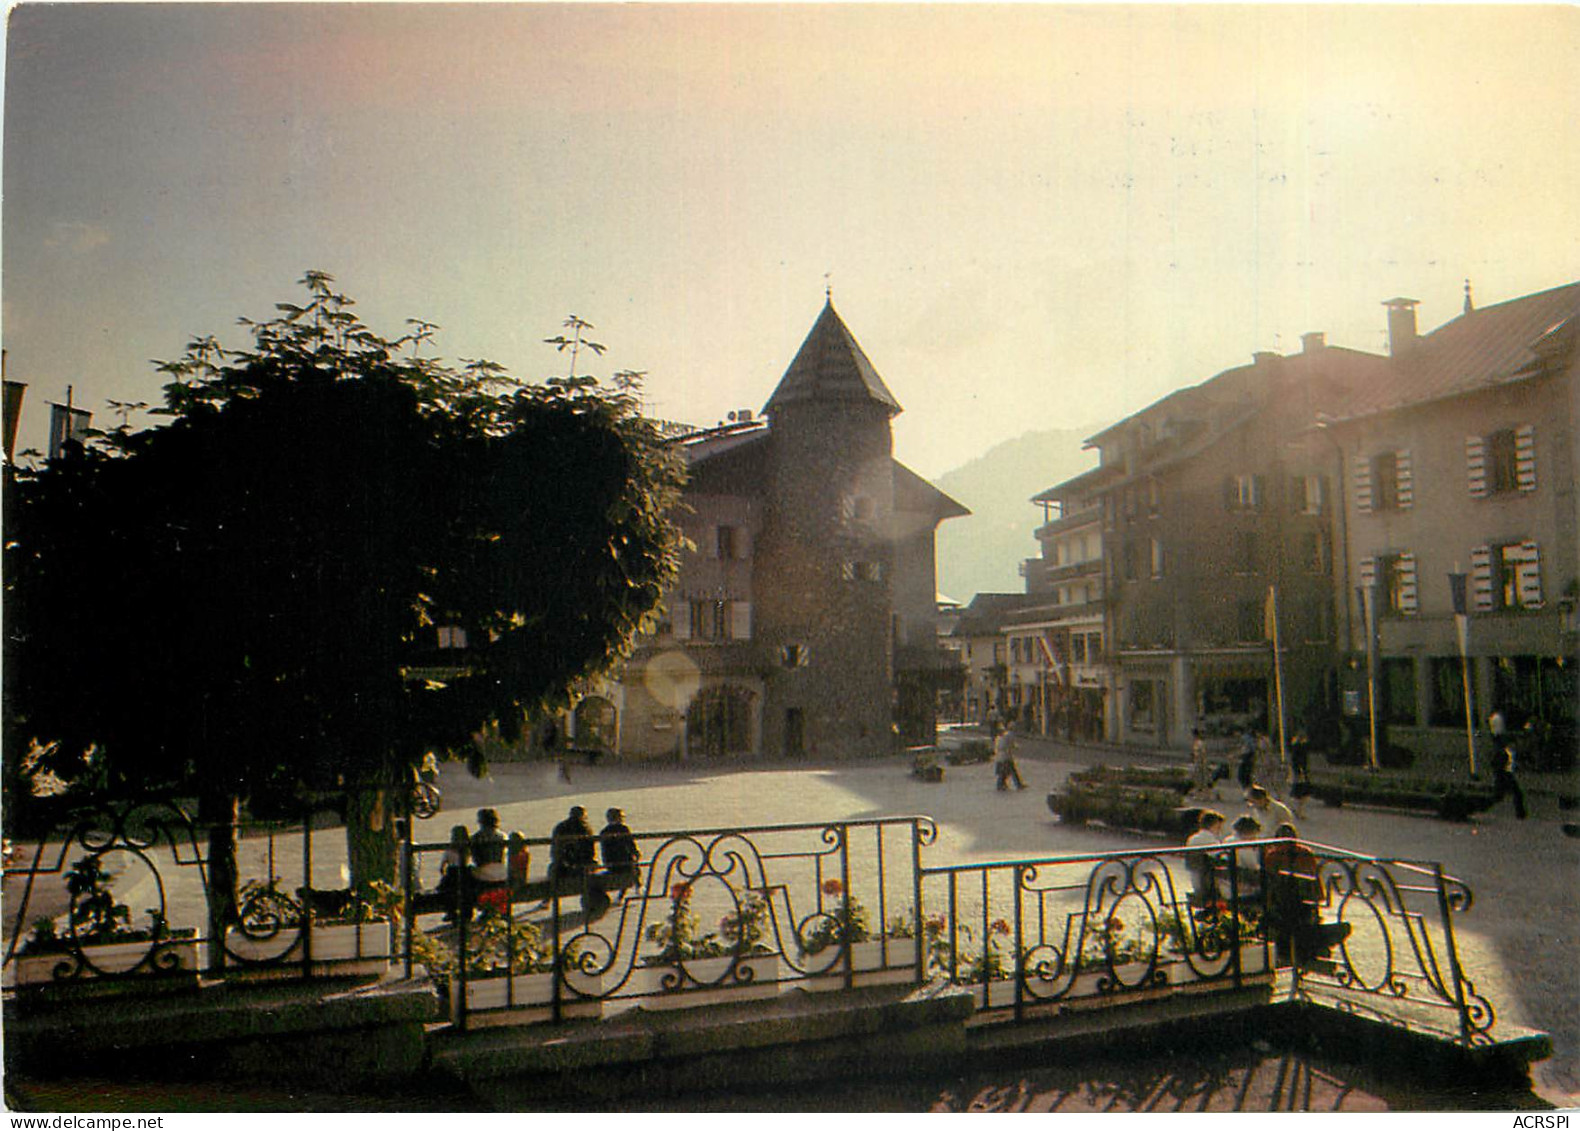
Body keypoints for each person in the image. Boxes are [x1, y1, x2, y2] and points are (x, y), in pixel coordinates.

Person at [1184, 810, 1227, 911]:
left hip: (1197, 881)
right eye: (1219, 827)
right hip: (1207, 883)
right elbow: (1223, 857)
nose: (1220, 830)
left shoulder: (1192, 838)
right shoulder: (1209, 839)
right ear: (1215, 825)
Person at [549, 805, 597, 882]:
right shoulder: (585, 827)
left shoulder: (560, 826)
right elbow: (590, 850)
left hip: (560, 865)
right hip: (580, 865)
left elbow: (555, 849)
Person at [435, 824, 471, 922]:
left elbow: (442, 867)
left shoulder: (449, 849)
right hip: (465, 873)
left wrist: (443, 873)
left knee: (446, 891)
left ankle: (451, 913)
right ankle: (467, 913)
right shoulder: (468, 848)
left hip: (451, 873)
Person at [598, 807, 641, 886]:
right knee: (634, 870)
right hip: (624, 862)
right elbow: (630, 844)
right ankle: (639, 887)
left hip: (611, 862)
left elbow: (604, 851)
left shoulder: (604, 831)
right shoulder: (623, 829)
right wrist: (636, 852)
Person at [1490, 733, 1528, 820]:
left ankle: (1520, 813)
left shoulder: (1513, 753)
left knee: (1516, 794)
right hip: (1504, 775)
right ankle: (1520, 813)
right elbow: (1495, 764)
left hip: (1508, 775)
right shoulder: (1503, 753)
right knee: (1504, 795)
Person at [1228, 815, 1263, 901]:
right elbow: (1253, 866)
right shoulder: (1243, 845)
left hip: (1230, 881)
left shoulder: (1229, 840)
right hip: (1243, 885)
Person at [993, 724, 1025, 791]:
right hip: (1005, 756)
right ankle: (1016, 784)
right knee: (1008, 771)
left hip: (1002, 756)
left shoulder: (999, 738)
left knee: (1006, 771)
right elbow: (1011, 744)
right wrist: (1016, 747)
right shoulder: (1007, 736)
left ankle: (1003, 784)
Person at [1190, 728, 1217, 798]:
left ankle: (1204, 793)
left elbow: (1202, 753)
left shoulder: (1200, 743)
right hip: (1198, 761)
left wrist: (1201, 761)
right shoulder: (1197, 743)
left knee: (1201, 778)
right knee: (1198, 778)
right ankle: (1199, 792)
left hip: (1200, 762)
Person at [1236, 729, 1257, 794]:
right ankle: (1248, 791)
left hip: (1246, 757)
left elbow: (1245, 749)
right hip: (1248, 757)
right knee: (1246, 777)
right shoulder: (1249, 739)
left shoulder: (1245, 739)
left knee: (1243, 776)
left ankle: (1248, 792)